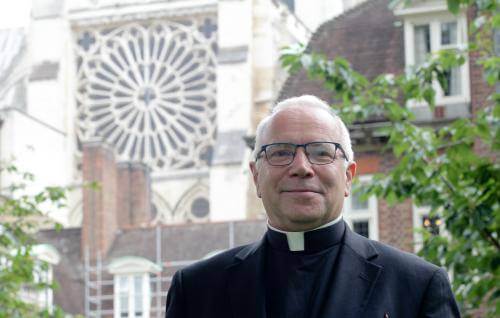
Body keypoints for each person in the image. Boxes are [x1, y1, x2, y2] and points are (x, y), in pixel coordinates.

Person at [165, 95, 460, 318]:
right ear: (256, 176)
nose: (302, 167)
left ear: (348, 176)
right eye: (281, 152)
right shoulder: (197, 290)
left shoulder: (417, 286)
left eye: (321, 152)